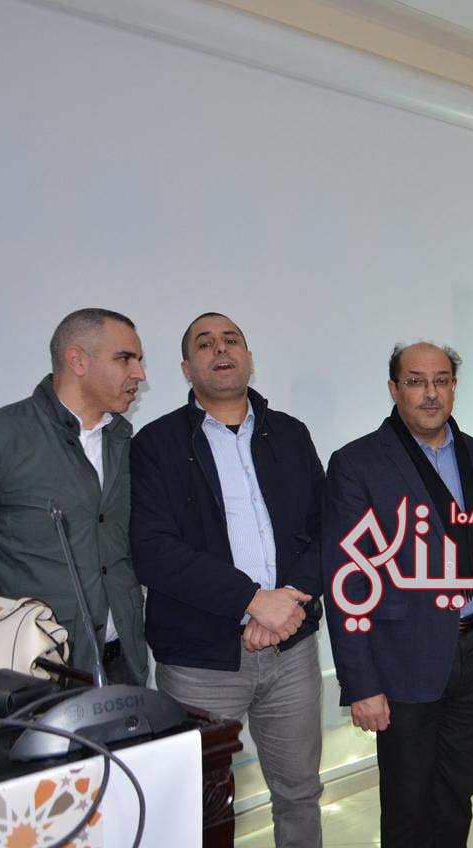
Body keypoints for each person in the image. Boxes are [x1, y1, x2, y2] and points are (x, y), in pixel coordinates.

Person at [129, 312, 325, 847]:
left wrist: (289, 604)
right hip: (200, 660)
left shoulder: (290, 433)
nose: (221, 349)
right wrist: (251, 601)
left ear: (249, 359)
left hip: (291, 650)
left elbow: (324, 529)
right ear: (186, 368)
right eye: (205, 343)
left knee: (300, 792)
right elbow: (152, 551)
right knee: (197, 804)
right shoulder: (156, 444)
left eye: (231, 340)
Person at [0, 307, 149, 684]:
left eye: (139, 360)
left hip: (122, 665)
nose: (139, 373)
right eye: (124, 358)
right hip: (33, 673)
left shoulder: (124, 444)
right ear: (77, 360)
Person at [323, 342, 473, 847]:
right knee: (407, 807)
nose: (431, 393)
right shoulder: (357, 463)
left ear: (454, 387)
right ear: (394, 388)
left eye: (441, 380)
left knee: (457, 797)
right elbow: (346, 581)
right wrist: (361, 684)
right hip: (403, 660)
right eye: (416, 381)